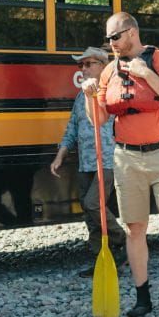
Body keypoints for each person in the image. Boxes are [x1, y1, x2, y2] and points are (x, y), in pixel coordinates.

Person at [82, 12, 159, 317]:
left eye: (115, 37)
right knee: (135, 228)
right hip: (126, 157)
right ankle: (143, 299)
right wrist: (89, 96)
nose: (110, 44)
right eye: (108, 38)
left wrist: (147, 74)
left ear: (132, 32)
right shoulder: (109, 72)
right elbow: (98, 119)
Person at [51, 46, 126, 276]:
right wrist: (60, 156)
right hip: (86, 162)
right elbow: (72, 128)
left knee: (93, 204)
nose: (83, 69)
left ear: (103, 66)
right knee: (89, 213)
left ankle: (123, 239)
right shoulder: (80, 95)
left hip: (109, 160)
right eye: (80, 65)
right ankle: (100, 259)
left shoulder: (114, 91)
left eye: (88, 64)